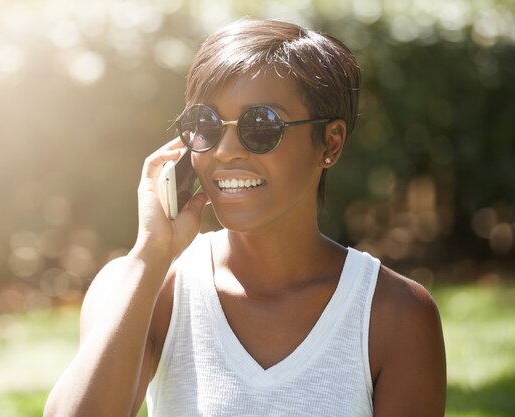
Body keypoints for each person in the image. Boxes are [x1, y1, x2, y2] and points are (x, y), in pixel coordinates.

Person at [44, 18, 446, 417]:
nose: (225, 150)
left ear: (330, 141)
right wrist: (151, 254)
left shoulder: (394, 315)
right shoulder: (144, 288)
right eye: (207, 124)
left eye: (262, 124)